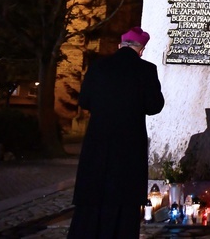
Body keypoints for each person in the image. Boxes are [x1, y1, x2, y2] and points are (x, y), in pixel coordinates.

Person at [68, 27, 165, 238]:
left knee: (94, 194)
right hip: (129, 145)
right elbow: (155, 106)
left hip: (98, 142)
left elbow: (84, 101)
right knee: (124, 198)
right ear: (141, 49)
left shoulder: (98, 67)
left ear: (120, 45)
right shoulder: (146, 69)